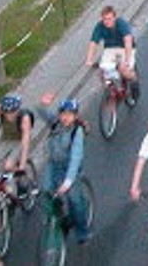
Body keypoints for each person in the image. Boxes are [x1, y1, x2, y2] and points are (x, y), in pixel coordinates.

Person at [39, 95, 91, 244]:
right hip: (53, 164)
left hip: (69, 168)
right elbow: (40, 111)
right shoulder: (55, 123)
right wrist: (43, 104)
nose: (66, 118)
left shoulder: (77, 132)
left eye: (70, 114)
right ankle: (58, 215)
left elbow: (76, 157)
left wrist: (68, 181)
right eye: (63, 114)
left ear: (75, 116)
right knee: (45, 190)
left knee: (75, 201)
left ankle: (82, 231)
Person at [84, 4, 140, 99]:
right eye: (104, 19)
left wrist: (127, 60)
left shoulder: (121, 24)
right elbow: (93, 43)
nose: (107, 22)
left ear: (115, 17)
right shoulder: (100, 26)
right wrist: (89, 59)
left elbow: (127, 41)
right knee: (102, 70)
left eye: (109, 19)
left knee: (124, 70)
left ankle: (135, 81)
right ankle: (110, 89)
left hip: (124, 48)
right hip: (110, 49)